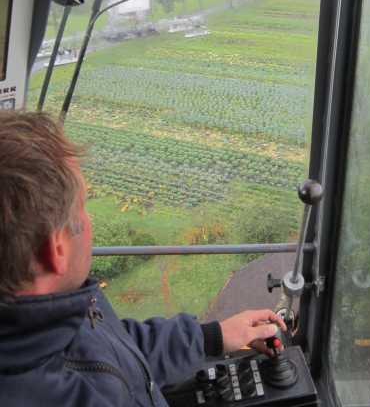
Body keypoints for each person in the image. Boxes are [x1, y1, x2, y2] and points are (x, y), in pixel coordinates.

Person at [0, 111, 286, 406]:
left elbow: (115, 352)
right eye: (84, 207)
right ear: (57, 250)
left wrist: (211, 337)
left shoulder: (54, 318)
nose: (90, 221)